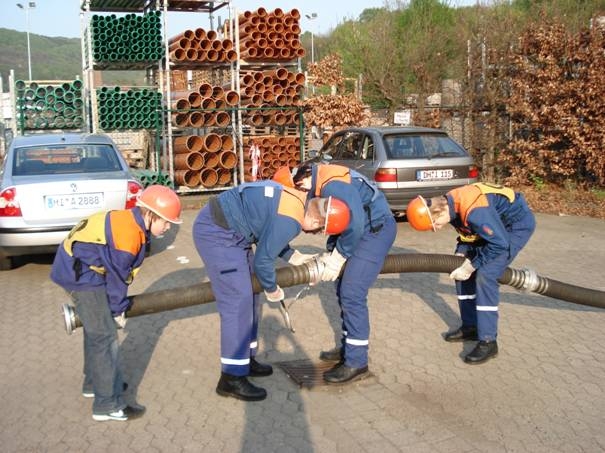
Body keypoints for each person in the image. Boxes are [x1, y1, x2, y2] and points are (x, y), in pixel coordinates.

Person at [192, 180, 350, 401]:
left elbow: (270, 230)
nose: (315, 233)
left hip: (234, 232)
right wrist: (273, 289)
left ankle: (245, 360)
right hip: (218, 233)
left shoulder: (299, 202)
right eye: (319, 230)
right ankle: (231, 378)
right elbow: (263, 261)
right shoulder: (292, 221)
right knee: (238, 301)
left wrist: (294, 256)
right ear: (316, 220)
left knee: (250, 296)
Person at [50, 185, 182, 421]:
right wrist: (117, 310)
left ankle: (94, 383)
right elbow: (117, 278)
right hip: (80, 275)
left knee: (96, 331)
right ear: (150, 214)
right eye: (166, 221)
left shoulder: (132, 222)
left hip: (83, 268)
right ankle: (107, 404)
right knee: (105, 336)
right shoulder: (128, 235)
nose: (168, 227)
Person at [406, 182, 536, 364]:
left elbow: (499, 244)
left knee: (486, 275)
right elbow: (468, 232)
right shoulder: (450, 202)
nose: (437, 228)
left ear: (439, 212)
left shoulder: (475, 210)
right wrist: (462, 253)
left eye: (435, 224)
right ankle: (471, 327)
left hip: (514, 227)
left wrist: (471, 265)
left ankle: (488, 341)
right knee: (458, 267)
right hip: (493, 225)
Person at [291, 163, 397, 384]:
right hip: (363, 228)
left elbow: (354, 225)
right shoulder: (322, 179)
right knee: (342, 287)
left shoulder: (332, 185)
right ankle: (349, 348)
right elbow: (338, 219)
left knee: (352, 292)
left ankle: (357, 362)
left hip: (375, 230)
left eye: (300, 191)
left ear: (303, 181)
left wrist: (338, 257)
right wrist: (331, 252)